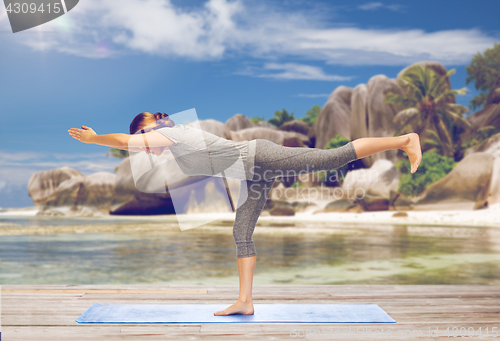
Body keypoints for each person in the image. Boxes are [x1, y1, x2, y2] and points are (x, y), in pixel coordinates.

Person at [68, 111, 422, 316]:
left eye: (143, 133)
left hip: (260, 157)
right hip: (253, 171)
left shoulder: (169, 133)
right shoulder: (174, 140)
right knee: (242, 232)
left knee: (332, 157)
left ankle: (405, 140)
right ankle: (245, 302)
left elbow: (125, 142)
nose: (143, 142)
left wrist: (94, 138)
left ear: (151, 126)